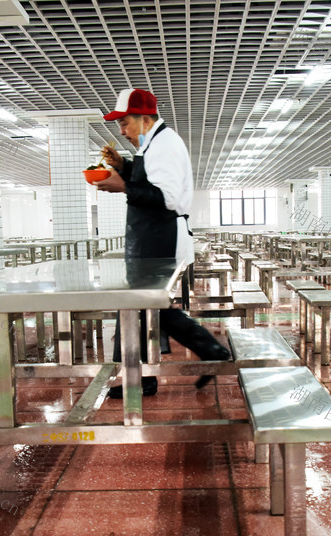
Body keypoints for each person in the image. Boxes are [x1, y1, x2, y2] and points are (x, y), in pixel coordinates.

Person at [96, 88, 230, 399]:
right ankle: (144, 376)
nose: (122, 130)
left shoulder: (166, 145)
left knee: (146, 306)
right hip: (150, 238)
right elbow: (151, 183)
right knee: (143, 308)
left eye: (125, 123)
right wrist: (125, 167)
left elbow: (166, 198)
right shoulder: (152, 143)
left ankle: (208, 350)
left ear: (144, 119)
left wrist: (123, 186)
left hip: (161, 237)